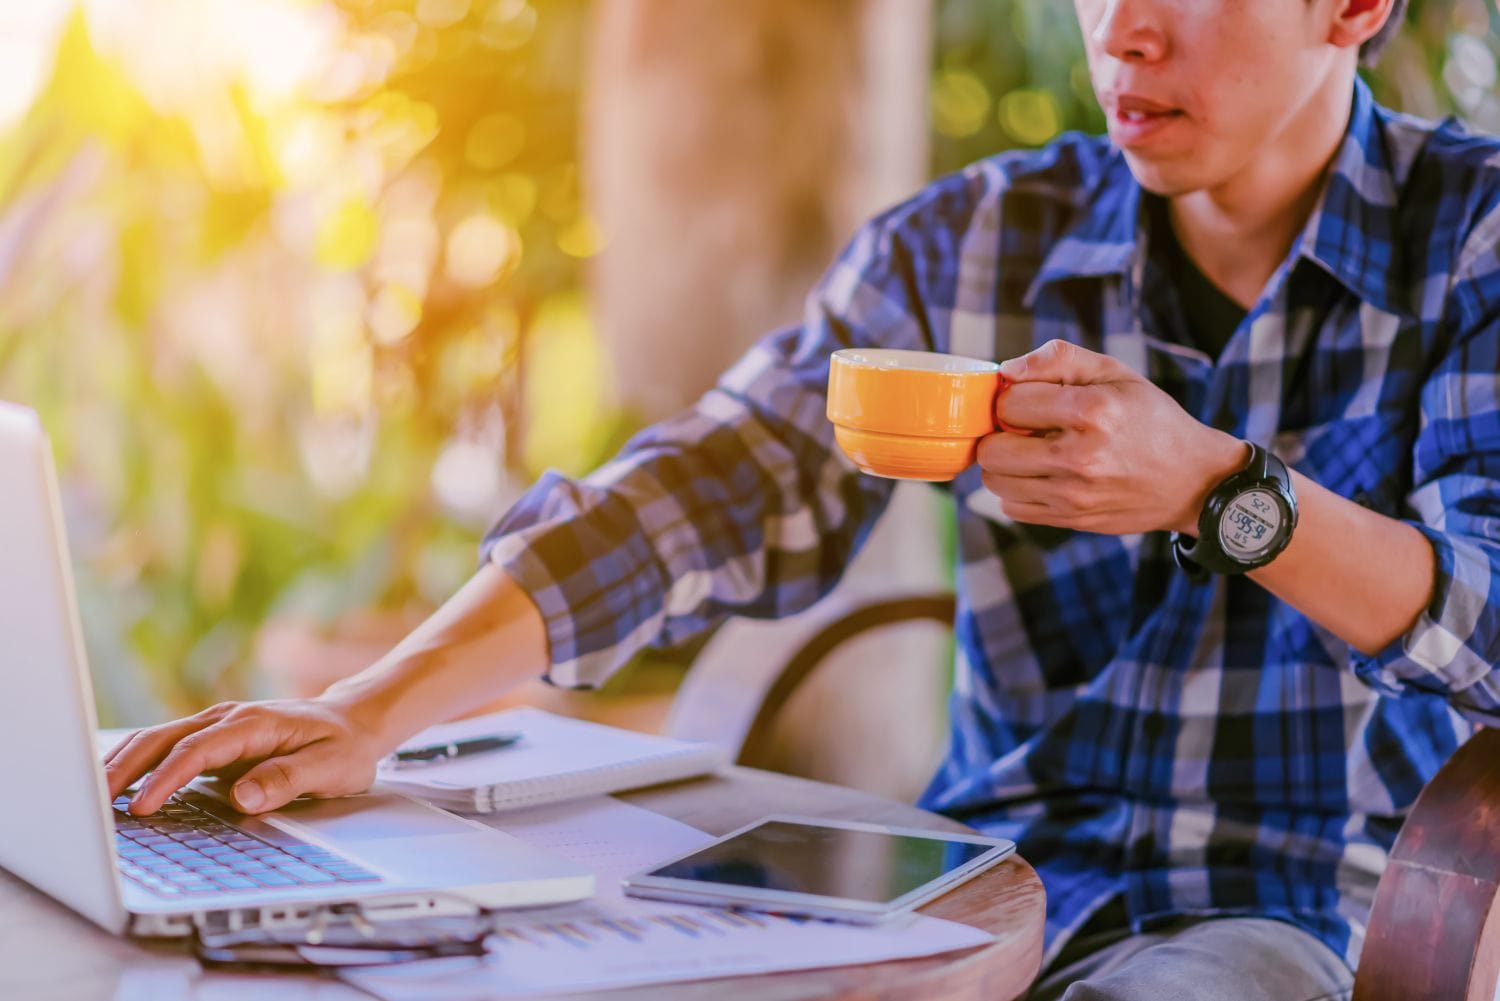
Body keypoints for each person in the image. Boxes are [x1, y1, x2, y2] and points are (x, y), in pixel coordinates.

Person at [106, 0, 1499, 997]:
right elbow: (722, 479)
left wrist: (1218, 488)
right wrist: (376, 706)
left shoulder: (1470, 239)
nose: (1123, 30)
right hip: (979, 883)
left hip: (1283, 911)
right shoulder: (977, 241)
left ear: (1354, 7)